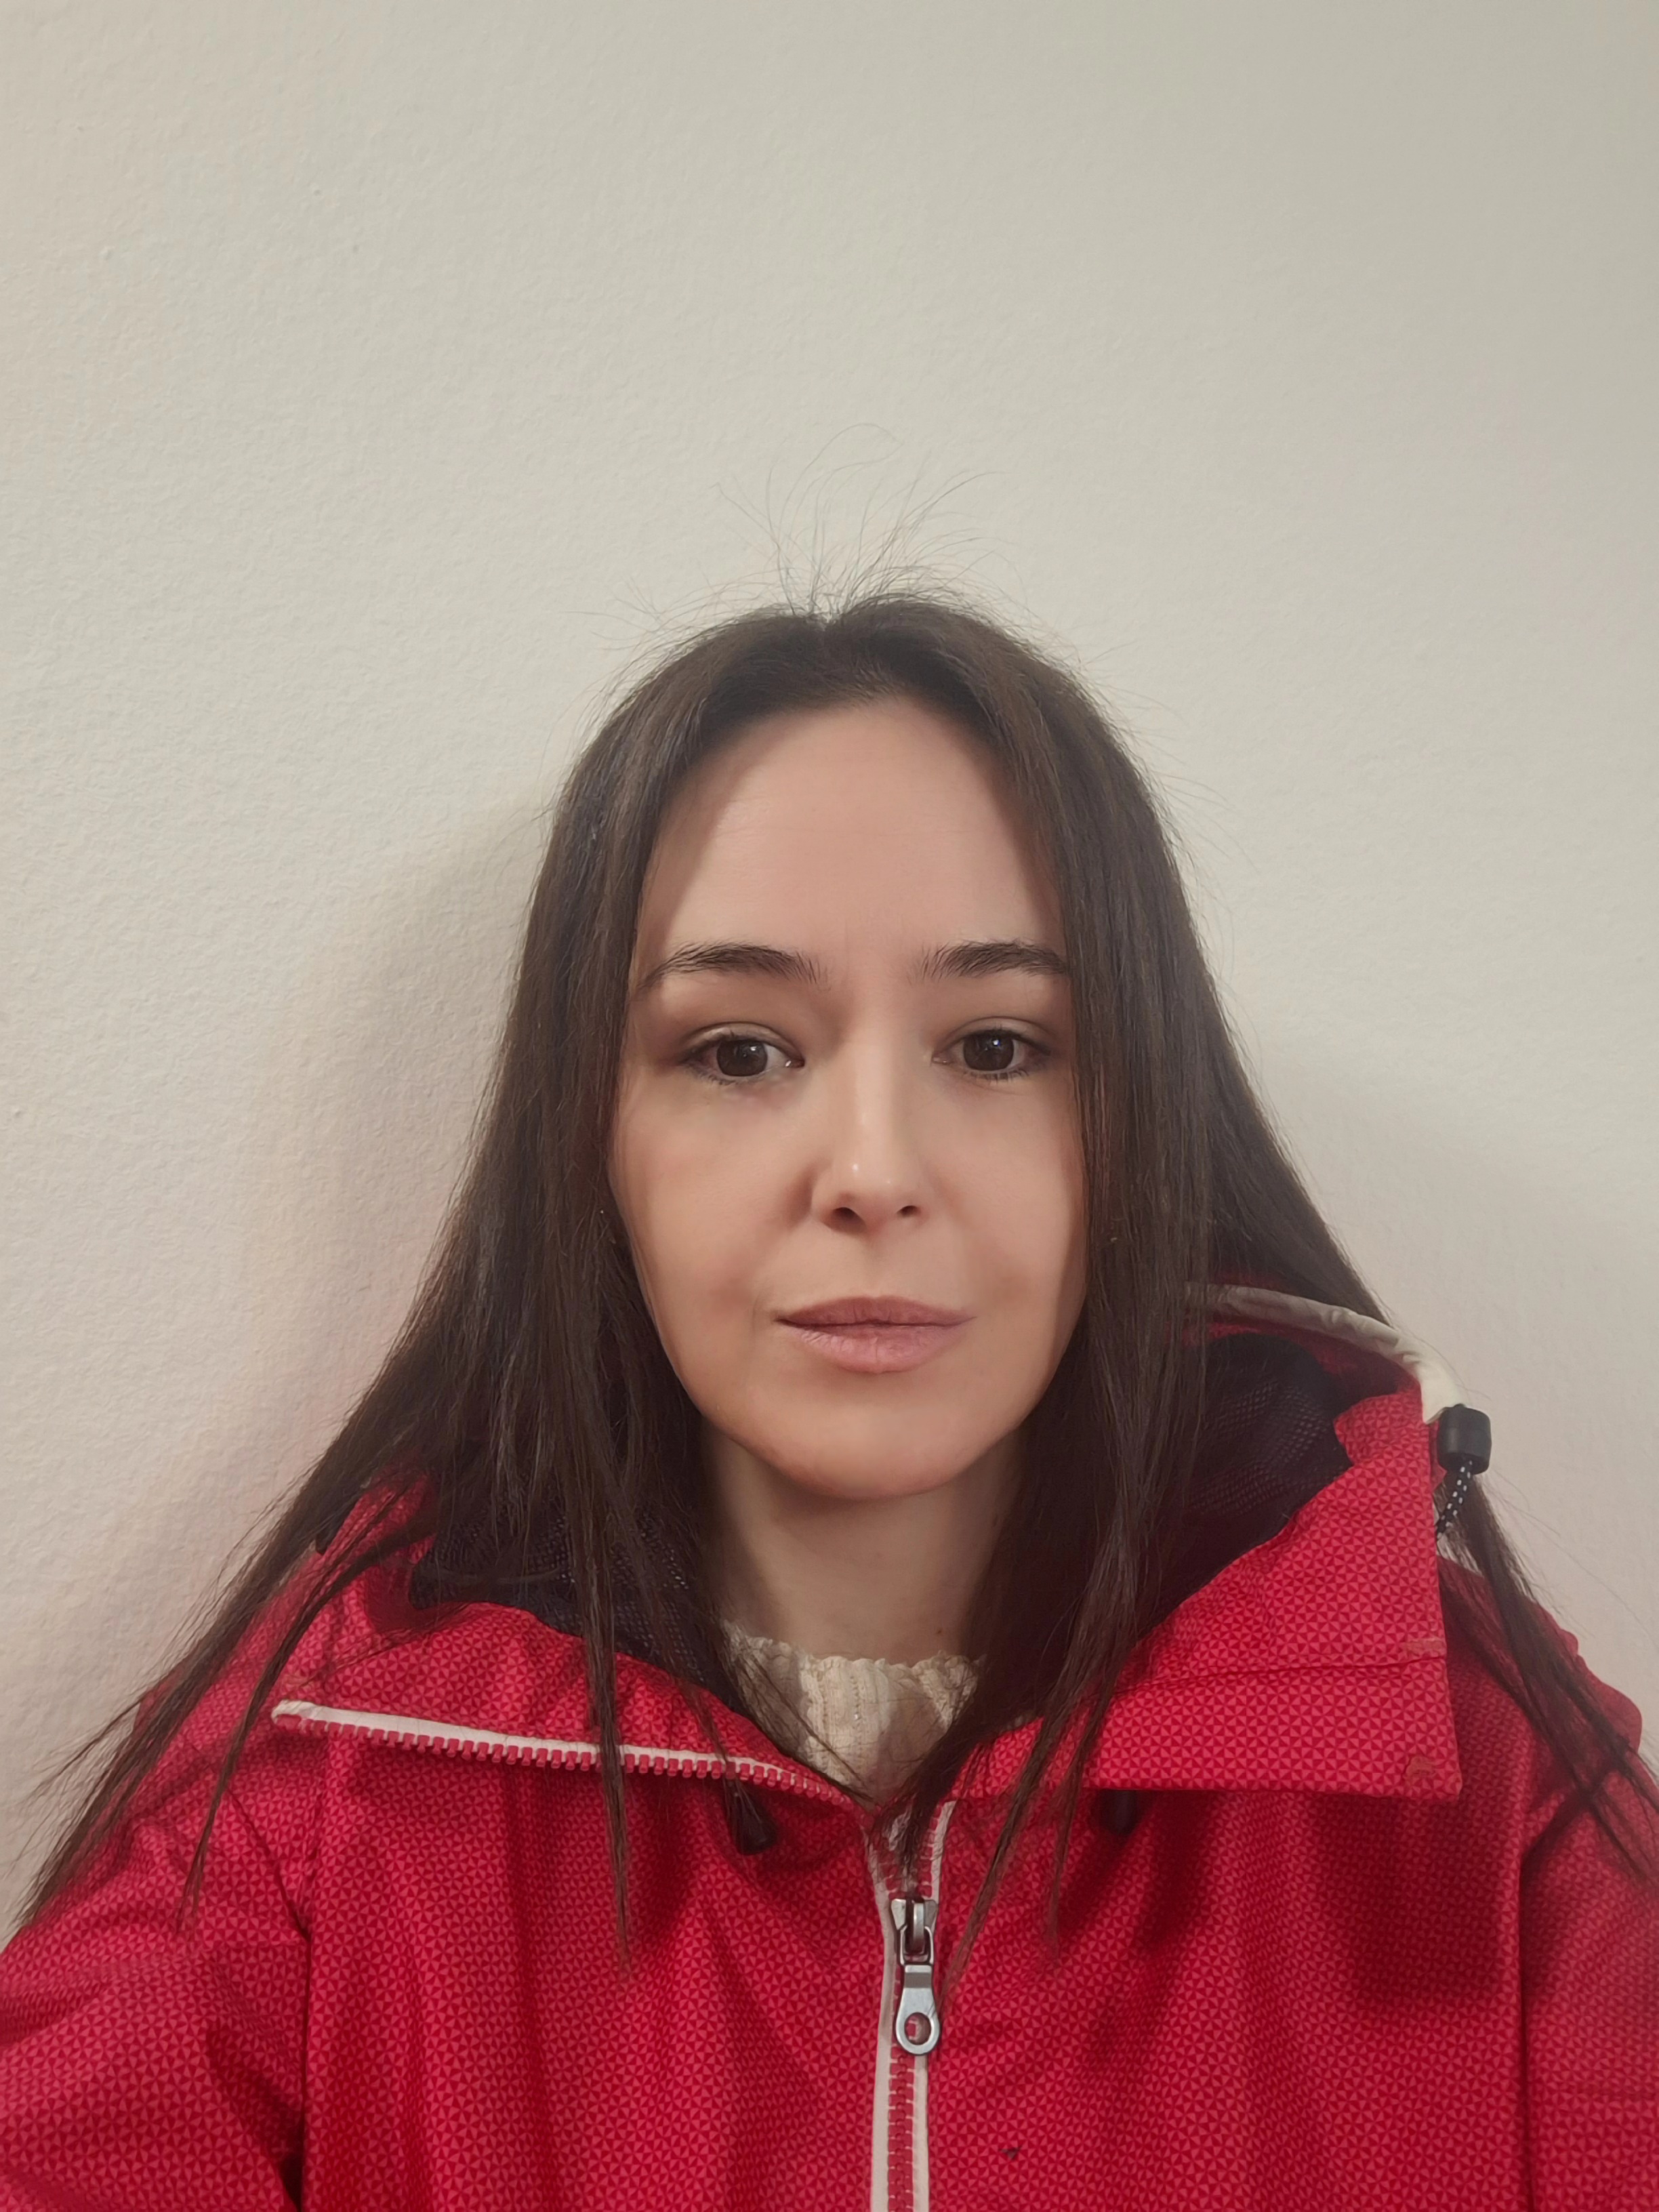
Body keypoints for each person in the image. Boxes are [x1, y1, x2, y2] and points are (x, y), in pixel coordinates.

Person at [1, 591, 1654, 2209]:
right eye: (739, 1050)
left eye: (997, 1047)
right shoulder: (308, 1806)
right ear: (593, 1140)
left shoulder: (1492, 1791)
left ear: (1137, 1124)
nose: (872, 1171)